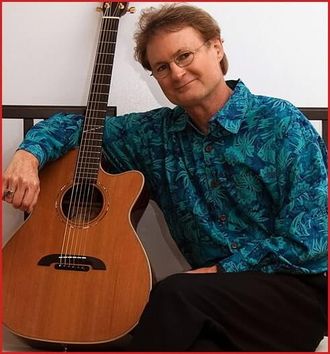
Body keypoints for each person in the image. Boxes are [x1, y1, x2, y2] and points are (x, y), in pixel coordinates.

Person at [2, 3, 327, 352]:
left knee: (171, 295)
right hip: (211, 303)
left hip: (296, 291)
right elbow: (76, 127)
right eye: (161, 67)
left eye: (184, 55)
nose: (176, 72)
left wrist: (219, 272)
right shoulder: (156, 134)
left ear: (216, 48)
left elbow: (311, 240)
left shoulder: (280, 121)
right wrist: (27, 155)